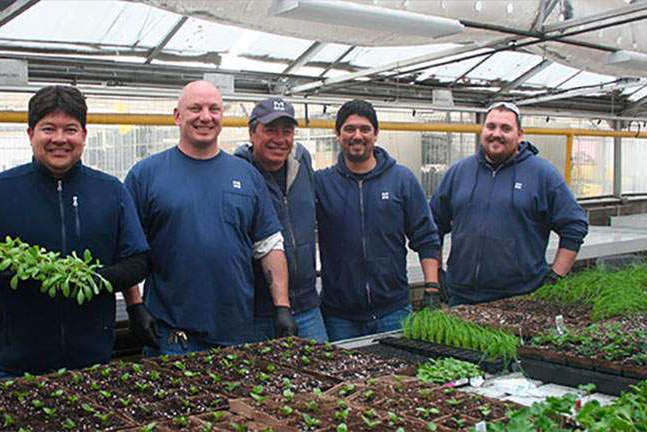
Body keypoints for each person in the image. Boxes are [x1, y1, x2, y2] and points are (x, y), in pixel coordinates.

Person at [0, 85, 150, 378]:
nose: (59, 139)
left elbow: (138, 259)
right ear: (31, 134)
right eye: (48, 129)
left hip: (93, 364)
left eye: (70, 129)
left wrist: (94, 280)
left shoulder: (110, 191)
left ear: (83, 134)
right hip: (15, 367)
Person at [123, 80, 297, 357]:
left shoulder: (246, 175)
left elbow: (269, 244)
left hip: (236, 333)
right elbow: (125, 249)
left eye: (214, 109)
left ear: (222, 117)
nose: (206, 116)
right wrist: (135, 305)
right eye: (196, 108)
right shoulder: (146, 175)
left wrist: (282, 307)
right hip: (171, 336)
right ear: (178, 116)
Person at [429, 101, 589, 306]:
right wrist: (436, 274)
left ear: (520, 134)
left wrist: (556, 276)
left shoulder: (542, 175)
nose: (497, 133)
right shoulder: (459, 172)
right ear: (483, 130)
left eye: (506, 128)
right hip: (461, 296)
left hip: (520, 297)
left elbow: (575, 225)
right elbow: (433, 225)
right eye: (491, 127)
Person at [314, 99, 441, 342]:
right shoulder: (322, 183)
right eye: (349, 129)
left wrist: (432, 287)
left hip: (393, 309)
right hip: (341, 316)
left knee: (400, 377)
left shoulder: (402, 179)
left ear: (376, 134)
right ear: (337, 135)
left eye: (365, 129)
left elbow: (426, 237)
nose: (357, 136)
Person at [234, 97, 328, 342]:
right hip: (255, 312)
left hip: (307, 306)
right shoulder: (237, 173)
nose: (279, 139)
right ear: (252, 133)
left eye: (287, 132)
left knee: (328, 376)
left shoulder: (302, 161)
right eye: (270, 130)